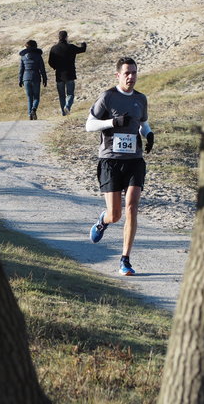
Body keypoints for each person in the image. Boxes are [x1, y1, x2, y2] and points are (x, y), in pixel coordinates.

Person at [85, 57, 154, 276]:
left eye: (134, 73)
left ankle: (125, 259)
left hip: (134, 160)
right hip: (110, 160)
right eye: (127, 73)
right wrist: (112, 123)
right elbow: (89, 125)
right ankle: (103, 221)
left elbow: (142, 123)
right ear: (118, 75)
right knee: (115, 214)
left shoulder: (141, 99)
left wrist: (149, 133)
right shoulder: (108, 97)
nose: (131, 77)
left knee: (132, 207)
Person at [48, 30, 87, 116]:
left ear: (58, 37)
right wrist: (83, 43)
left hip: (59, 75)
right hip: (70, 74)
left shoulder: (54, 48)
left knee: (61, 95)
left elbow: (50, 62)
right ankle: (68, 106)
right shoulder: (71, 47)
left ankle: (63, 112)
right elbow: (82, 49)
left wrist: (55, 67)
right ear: (66, 37)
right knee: (70, 94)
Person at [18, 40, 47, 120]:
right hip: (36, 77)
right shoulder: (38, 56)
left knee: (29, 97)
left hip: (26, 78)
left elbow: (21, 69)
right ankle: (33, 109)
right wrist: (45, 79)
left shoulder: (23, 57)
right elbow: (42, 69)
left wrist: (20, 80)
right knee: (36, 97)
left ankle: (29, 115)